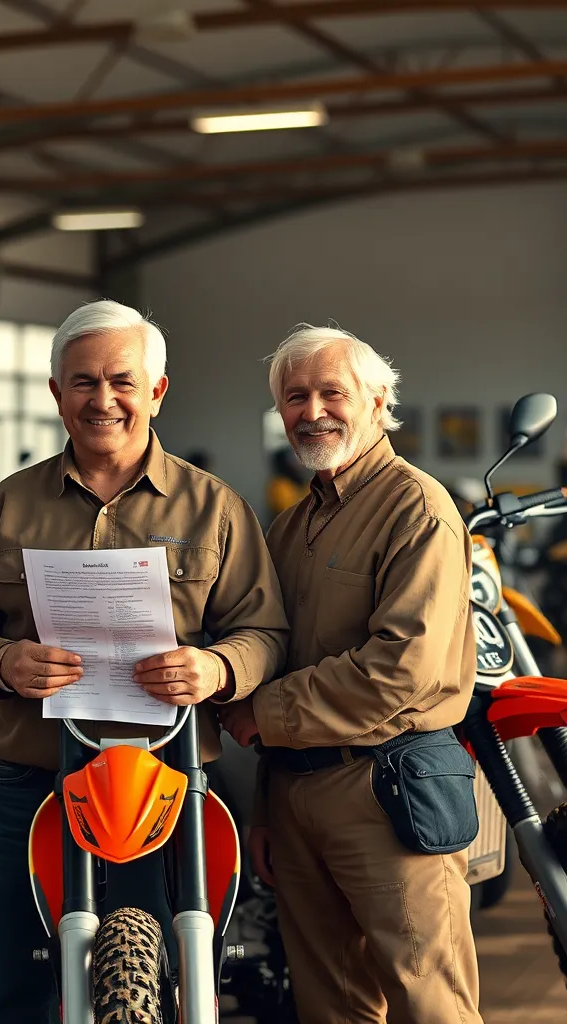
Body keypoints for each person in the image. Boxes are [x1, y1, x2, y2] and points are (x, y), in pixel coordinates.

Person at [0, 299, 289, 1023]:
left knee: (158, 983)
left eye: (122, 380)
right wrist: (2, 662)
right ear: (56, 393)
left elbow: (265, 632)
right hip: (31, 788)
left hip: (166, 785)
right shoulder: (3, 509)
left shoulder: (214, 510)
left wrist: (214, 670)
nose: (103, 399)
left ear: (157, 390)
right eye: (82, 382)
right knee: (10, 990)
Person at [220, 325, 482, 1024]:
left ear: (377, 398)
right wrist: (266, 811)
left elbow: (402, 670)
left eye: (330, 392)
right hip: (296, 795)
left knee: (432, 1002)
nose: (312, 411)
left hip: (387, 788)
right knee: (328, 1007)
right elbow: (275, 653)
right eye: (294, 397)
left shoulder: (416, 509)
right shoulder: (288, 529)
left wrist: (263, 714)